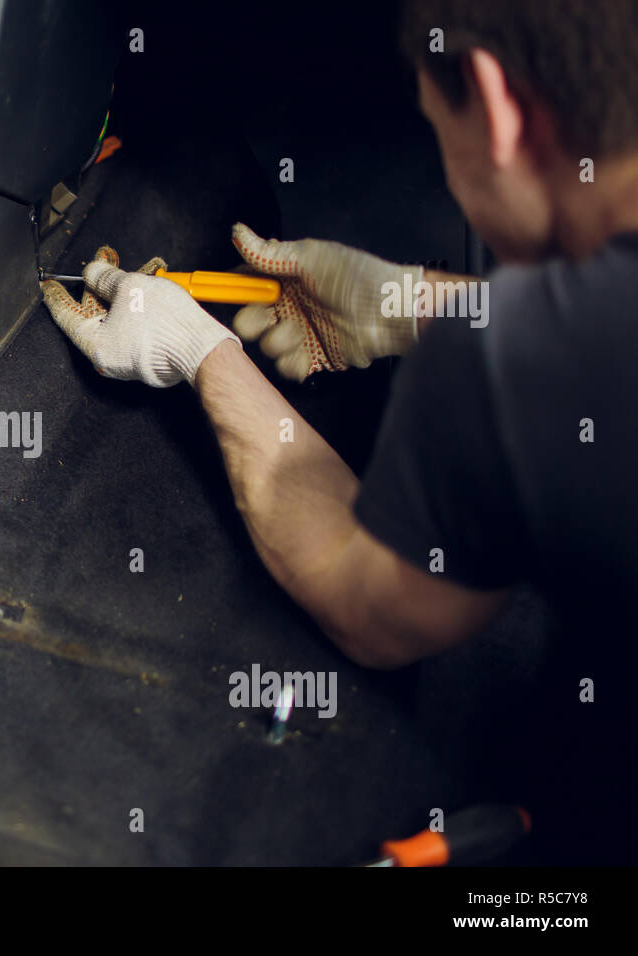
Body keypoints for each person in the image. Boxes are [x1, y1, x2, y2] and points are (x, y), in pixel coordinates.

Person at [40, 0, 638, 861]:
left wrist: (201, 349)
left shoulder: (518, 375)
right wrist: (415, 304)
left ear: (497, 105)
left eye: (442, 134)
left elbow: (367, 603)